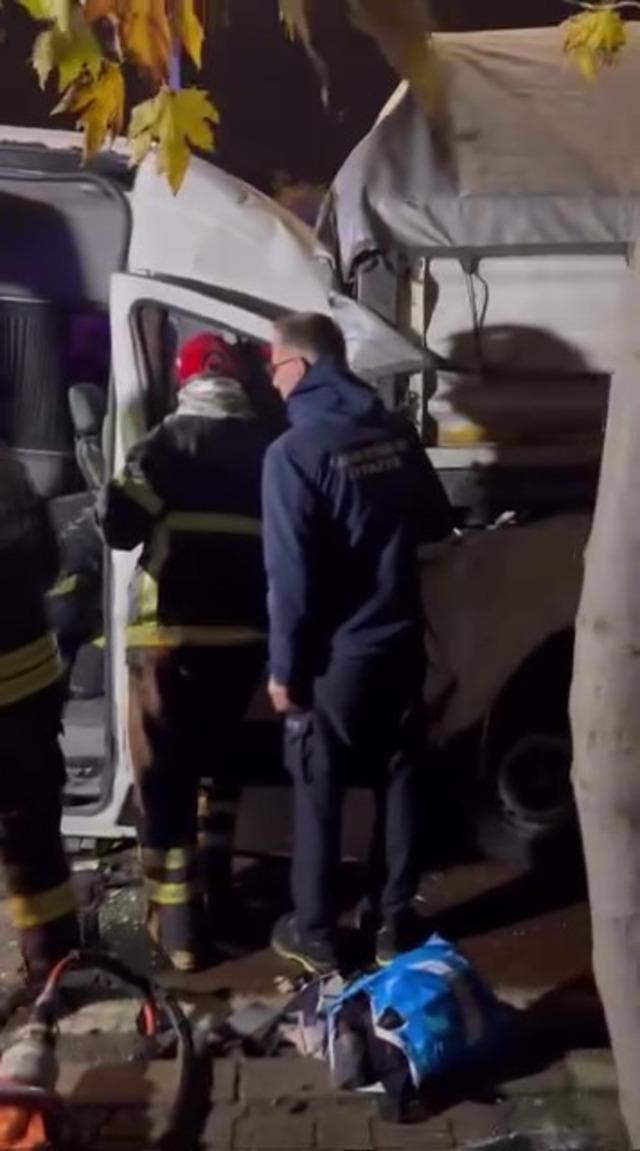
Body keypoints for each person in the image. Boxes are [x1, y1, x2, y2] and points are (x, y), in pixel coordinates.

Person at [263, 313, 455, 974]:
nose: (273, 383)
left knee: (319, 785)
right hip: (400, 640)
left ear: (301, 366)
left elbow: (289, 574)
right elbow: (438, 521)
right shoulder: (394, 431)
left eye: (275, 368)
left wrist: (284, 667)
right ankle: (393, 921)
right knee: (400, 777)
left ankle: (315, 931)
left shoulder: (293, 453)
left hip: (333, 657)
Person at [98, 333, 270, 973]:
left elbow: (120, 528)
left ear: (185, 380)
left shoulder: (165, 444)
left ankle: (179, 928)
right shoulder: (267, 446)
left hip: (167, 640)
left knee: (165, 777)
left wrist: (111, 485)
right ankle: (218, 889)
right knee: (220, 768)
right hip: (244, 639)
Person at [0, 443, 79, 983]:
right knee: (34, 831)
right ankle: (53, 963)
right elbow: (50, 567)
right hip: (31, 687)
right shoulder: (11, 478)